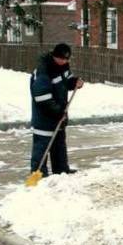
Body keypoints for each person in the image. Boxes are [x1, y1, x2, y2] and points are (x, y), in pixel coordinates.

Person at [30, 43, 84, 177]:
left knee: (59, 144)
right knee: (42, 147)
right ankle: (39, 174)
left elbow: (67, 81)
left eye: (67, 59)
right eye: (62, 59)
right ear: (55, 56)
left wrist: (75, 82)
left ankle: (61, 169)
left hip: (58, 114)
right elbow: (42, 97)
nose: (65, 61)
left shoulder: (63, 67)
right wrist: (57, 111)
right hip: (44, 116)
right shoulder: (44, 70)